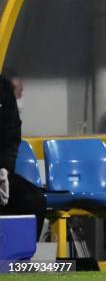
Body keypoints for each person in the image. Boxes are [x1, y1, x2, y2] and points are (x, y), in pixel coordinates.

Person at [0, 74, 46, 239]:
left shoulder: (3, 87)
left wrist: (4, 170)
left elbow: (11, 135)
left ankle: (21, 260)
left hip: (1, 173)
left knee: (34, 200)